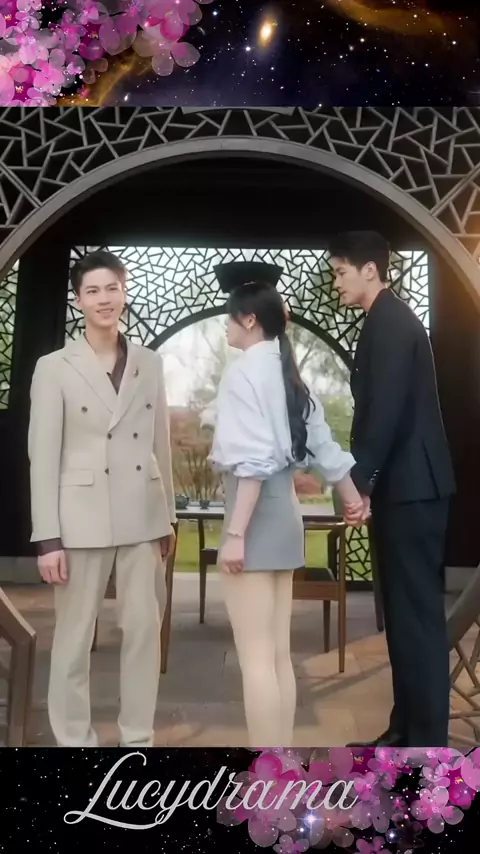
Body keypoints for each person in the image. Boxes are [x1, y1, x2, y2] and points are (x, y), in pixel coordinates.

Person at [209, 280, 368, 747]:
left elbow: (254, 462)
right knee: (278, 657)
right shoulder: (289, 374)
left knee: (256, 661)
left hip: (253, 515)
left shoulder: (242, 373)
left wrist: (235, 534)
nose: (225, 326)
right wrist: (353, 499)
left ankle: (267, 771)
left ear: (250, 320)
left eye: (230, 317)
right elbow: (323, 445)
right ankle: (280, 767)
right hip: (285, 518)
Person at [28, 250, 176, 748]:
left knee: (143, 633)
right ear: (78, 301)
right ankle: (75, 742)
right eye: (92, 291)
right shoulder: (54, 367)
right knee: (73, 640)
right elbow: (42, 456)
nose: (104, 299)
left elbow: (160, 444)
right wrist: (48, 539)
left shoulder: (150, 363)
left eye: (112, 287)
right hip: (79, 520)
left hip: (143, 516)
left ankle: (138, 738)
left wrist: (168, 518)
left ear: (124, 291)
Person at [328, 230, 456, 747]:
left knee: (418, 619)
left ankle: (426, 742)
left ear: (370, 270)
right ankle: (404, 731)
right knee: (402, 618)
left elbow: (384, 411)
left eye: (340, 272)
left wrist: (360, 484)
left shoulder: (392, 323)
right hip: (405, 487)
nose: (336, 282)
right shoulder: (383, 320)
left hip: (414, 488)